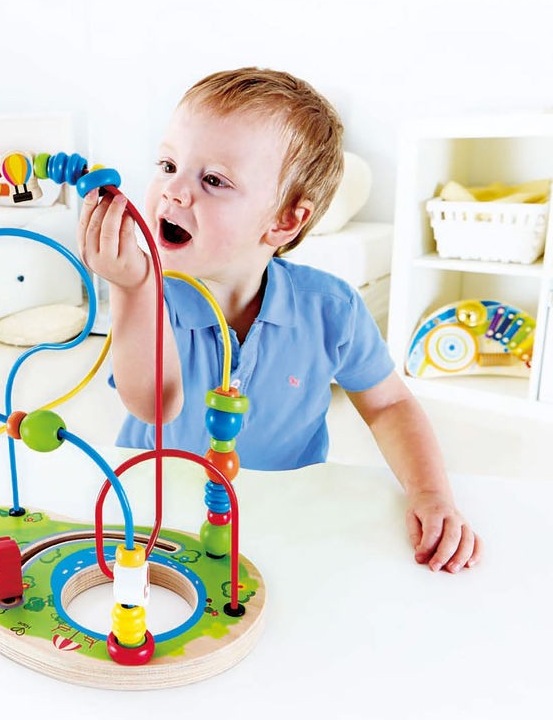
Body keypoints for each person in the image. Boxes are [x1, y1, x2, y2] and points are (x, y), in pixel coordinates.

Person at [77, 67, 481, 574]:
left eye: (213, 180)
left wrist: (430, 492)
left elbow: (389, 404)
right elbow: (152, 404)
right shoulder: (149, 295)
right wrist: (130, 287)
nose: (173, 191)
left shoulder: (331, 309)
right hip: (157, 517)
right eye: (168, 164)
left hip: (286, 517)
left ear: (284, 221)